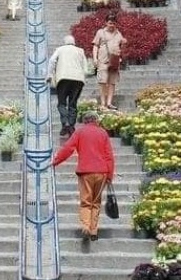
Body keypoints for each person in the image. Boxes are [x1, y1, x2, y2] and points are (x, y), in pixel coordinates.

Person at [51, 111, 115, 243]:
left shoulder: (80, 132)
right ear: (96, 120)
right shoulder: (103, 133)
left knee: (86, 201)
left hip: (85, 171)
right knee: (96, 202)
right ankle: (93, 230)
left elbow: (68, 148)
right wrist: (110, 176)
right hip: (102, 172)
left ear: (84, 121)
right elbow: (109, 156)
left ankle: (85, 226)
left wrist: (55, 161)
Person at [46, 34, 88, 137]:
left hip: (63, 78)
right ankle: (71, 126)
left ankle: (66, 122)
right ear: (74, 42)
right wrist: (82, 75)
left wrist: (49, 75)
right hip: (78, 79)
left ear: (65, 42)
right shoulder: (80, 51)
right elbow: (86, 68)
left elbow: (52, 61)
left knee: (61, 103)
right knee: (73, 104)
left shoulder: (60, 49)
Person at [92, 14, 128, 110]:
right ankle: (103, 103)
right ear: (106, 23)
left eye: (114, 23)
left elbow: (122, 46)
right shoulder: (100, 32)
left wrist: (124, 44)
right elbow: (95, 46)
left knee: (112, 82)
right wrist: (95, 58)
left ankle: (109, 103)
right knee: (102, 82)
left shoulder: (118, 33)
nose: (112, 25)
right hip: (103, 61)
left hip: (114, 61)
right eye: (110, 23)